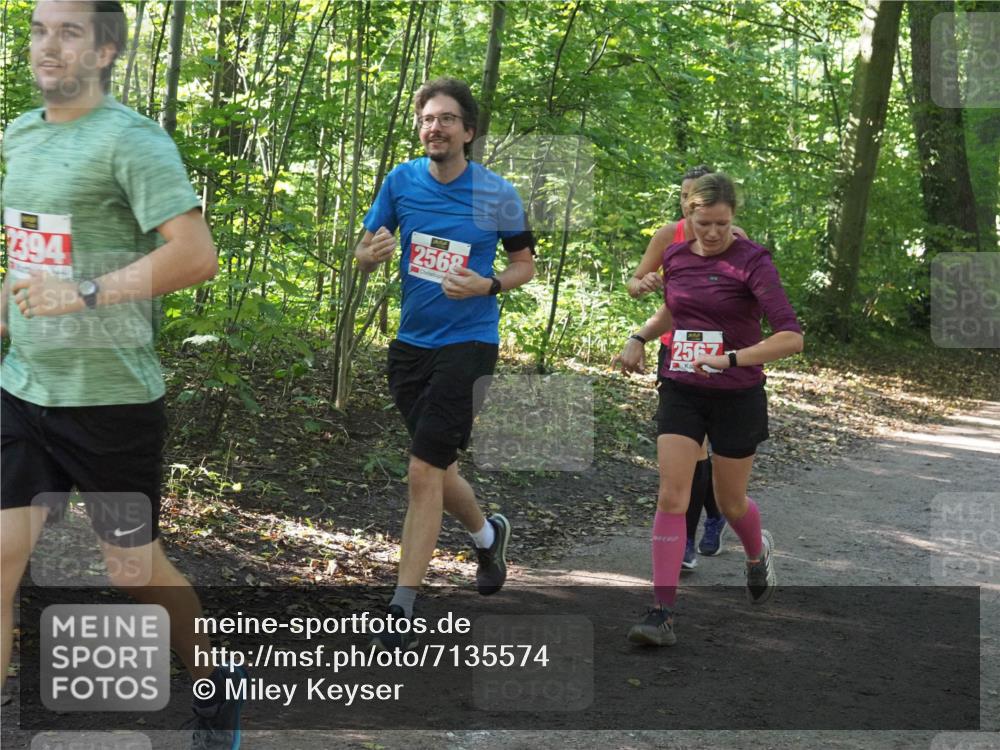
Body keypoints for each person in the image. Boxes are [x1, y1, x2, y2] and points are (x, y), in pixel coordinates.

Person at [0, 3, 245, 746]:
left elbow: (196, 254)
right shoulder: (18, 134)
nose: (49, 45)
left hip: (109, 401)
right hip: (23, 389)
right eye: (40, 29)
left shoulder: (133, 141)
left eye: (70, 32)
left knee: (132, 570)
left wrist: (87, 291)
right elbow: (29, 251)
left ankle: (215, 679)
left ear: (105, 50)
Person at [355, 77, 535, 650]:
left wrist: (488, 285)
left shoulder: (498, 193)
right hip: (411, 346)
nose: (436, 127)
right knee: (437, 467)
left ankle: (401, 604)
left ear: (468, 131)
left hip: (470, 344)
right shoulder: (400, 180)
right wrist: (369, 255)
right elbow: (363, 251)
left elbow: (524, 265)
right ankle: (487, 536)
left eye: (448, 119)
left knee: (421, 471)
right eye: (428, 118)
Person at [625, 172, 803, 646]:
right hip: (681, 386)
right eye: (703, 222)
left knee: (730, 501)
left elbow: (790, 336)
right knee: (672, 494)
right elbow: (676, 311)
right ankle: (661, 611)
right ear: (689, 215)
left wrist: (730, 359)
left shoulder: (753, 261)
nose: (712, 233)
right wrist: (639, 338)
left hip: (737, 391)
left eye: (722, 223)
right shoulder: (676, 256)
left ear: (734, 218)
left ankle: (755, 554)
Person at [618, 166, 748, 567]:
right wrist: (642, 286)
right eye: (684, 200)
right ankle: (689, 539)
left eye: (697, 199)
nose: (689, 208)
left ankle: (717, 514)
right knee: (690, 453)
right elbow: (637, 280)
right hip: (676, 353)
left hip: (722, 358)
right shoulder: (667, 237)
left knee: (704, 451)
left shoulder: (735, 241)